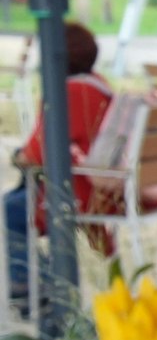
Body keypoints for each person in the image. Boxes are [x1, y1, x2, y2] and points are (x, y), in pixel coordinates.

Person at [6, 22, 118, 318]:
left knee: (10, 211)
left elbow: (35, 154)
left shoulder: (65, 92)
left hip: (74, 193)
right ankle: (34, 283)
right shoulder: (98, 85)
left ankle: (31, 285)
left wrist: (17, 156)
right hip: (100, 187)